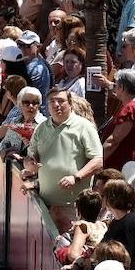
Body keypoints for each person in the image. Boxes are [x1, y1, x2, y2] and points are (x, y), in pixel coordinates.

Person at [21, 87, 104, 231]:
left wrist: (75, 177)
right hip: (44, 203)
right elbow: (30, 157)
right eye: (52, 101)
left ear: (70, 103)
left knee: (69, 242)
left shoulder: (84, 127)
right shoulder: (41, 128)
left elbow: (97, 161)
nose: (56, 105)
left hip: (73, 206)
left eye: (61, 101)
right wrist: (29, 164)